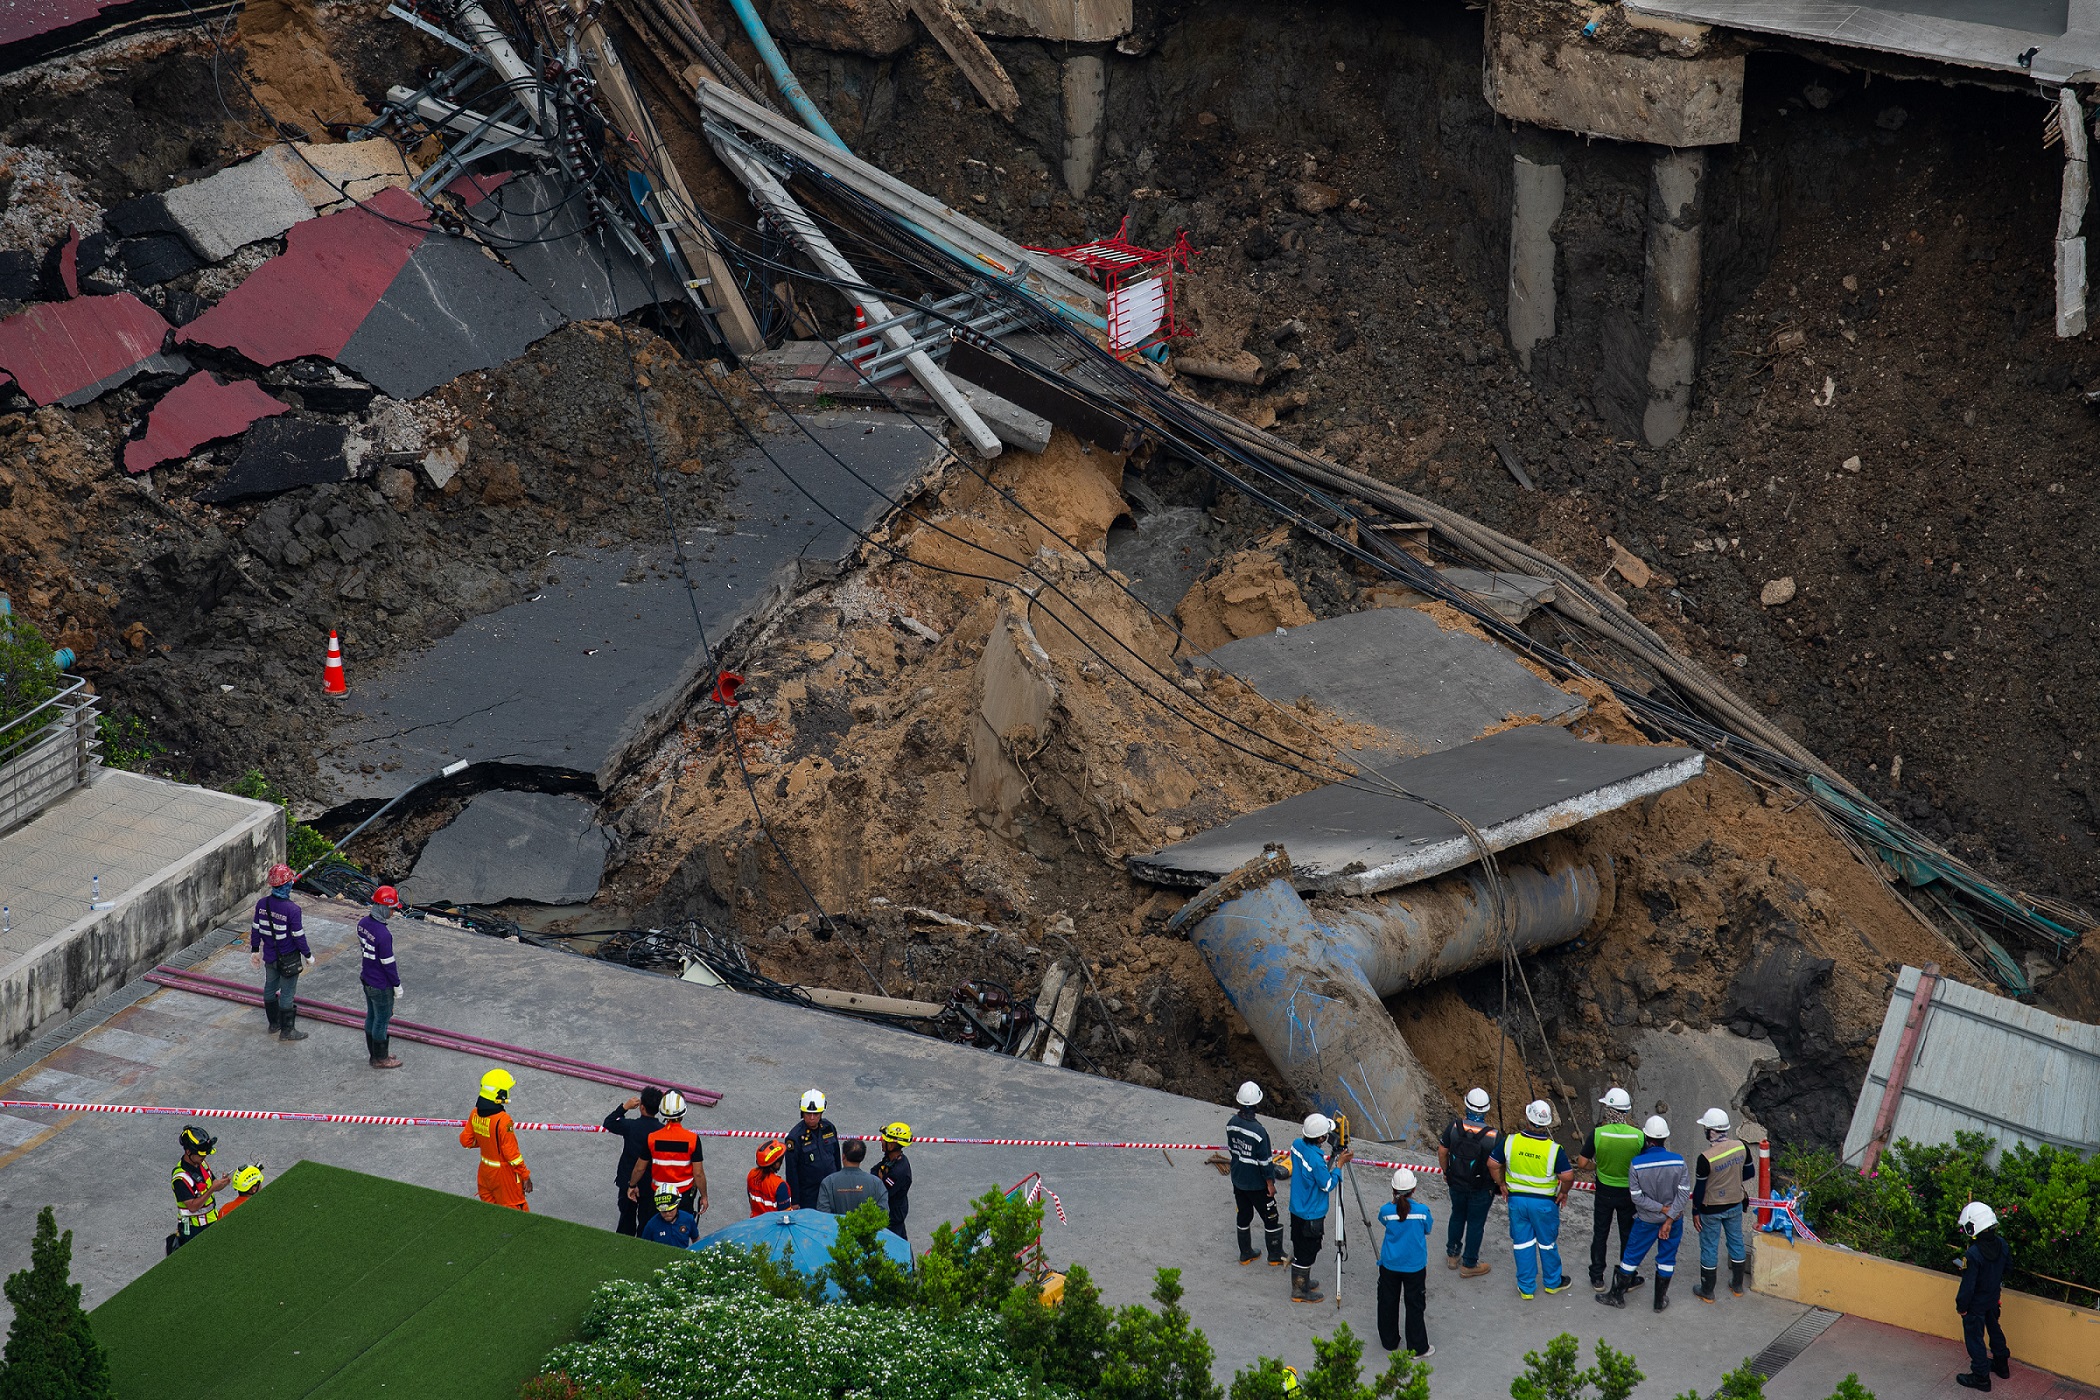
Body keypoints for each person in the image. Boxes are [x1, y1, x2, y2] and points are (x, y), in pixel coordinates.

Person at [1596, 1115, 1688, 1311]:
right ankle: (1659, 1302)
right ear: (1665, 1138)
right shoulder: (1679, 1161)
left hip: (1647, 1220)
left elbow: (1637, 1198)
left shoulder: (1637, 1164)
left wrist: (1660, 1209)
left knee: (1631, 1256)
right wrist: (1669, 1218)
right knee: (1666, 1259)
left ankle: (1616, 1296)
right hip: (1674, 1221)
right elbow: (1683, 1194)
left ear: (1646, 1138)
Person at [1488, 1099, 1575, 1300]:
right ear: (1547, 1124)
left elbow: (1492, 1164)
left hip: (1517, 1202)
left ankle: (1526, 1288)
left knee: (1522, 1244)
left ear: (1527, 1119)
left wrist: (1501, 1184)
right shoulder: (1554, 1149)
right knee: (1547, 1243)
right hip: (1544, 1204)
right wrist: (1564, 1192)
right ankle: (1552, 1283)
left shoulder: (1510, 1142)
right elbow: (1568, 1176)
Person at [1578, 1087, 1645, 1289]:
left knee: (1600, 1234)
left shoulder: (1598, 1134)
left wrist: (1597, 1167)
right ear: (1627, 1111)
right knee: (1627, 1235)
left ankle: (1597, 1277)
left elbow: (1582, 1163)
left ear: (1609, 1110)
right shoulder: (1638, 1136)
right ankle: (1627, 1277)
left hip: (1604, 1191)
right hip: (1628, 1194)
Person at [1690, 1107, 1756, 1302]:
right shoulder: (1741, 1147)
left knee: (1709, 1246)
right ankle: (1737, 1286)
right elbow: (1750, 1173)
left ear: (1710, 1131)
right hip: (1735, 1203)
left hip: (1711, 1208)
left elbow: (1699, 1189)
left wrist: (1695, 1210)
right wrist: (1732, 1181)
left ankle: (1707, 1291)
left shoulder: (1705, 1158)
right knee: (1736, 1241)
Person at [1287, 1112, 1352, 1304]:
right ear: (1321, 1138)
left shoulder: (1296, 1145)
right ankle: (1299, 1290)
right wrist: (1339, 1165)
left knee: (1300, 1246)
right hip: (1311, 1214)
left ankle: (1303, 1281)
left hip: (1297, 1208)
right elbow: (1327, 1185)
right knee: (1307, 1251)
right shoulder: (1316, 1161)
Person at [1437, 1086, 1498, 1278]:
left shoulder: (1454, 1127)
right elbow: (1496, 1165)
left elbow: (1442, 1151)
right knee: (1475, 1223)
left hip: (1456, 1183)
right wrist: (1501, 1184)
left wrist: (1446, 1171)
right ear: (1486, 1109)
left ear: (1466, 1106)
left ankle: (1452, 1255)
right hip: (1481, 1188)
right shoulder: (1493, 1136)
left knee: (1457, 1216)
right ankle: (1469, 1264)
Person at [1376, 1168, 1434, 1358]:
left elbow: (1383, 1220)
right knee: (1415, 1305)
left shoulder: (1386, 1211)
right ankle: (1417, 1347)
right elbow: (1428, 1229)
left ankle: (1389, 1341)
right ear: (1414, 1189)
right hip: (1414, 1266)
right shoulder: (1422, 1212)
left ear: (1393, 1189)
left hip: (1390, 1264)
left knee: (1387, 1302)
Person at [1954, 1201, 2012, 1391]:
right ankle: (2002, 1365)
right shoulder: (2002, 1244)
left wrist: (1961, 1307)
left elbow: (1968, 1286)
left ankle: (1981, 1378)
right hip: (1993, 1299)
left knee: (1975, 1339)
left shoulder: (1972, 1254)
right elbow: (2008, 1268)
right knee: (1995, 1330)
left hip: (1975, 1305)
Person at [1227, 1081, 1286, 1267]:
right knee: (1271, 1217)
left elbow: (1232, 1150)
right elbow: (1265, 1162)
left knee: (1243, 1215)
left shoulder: (1231, 1124)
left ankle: (1245, 1253)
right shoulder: (1259, 1132)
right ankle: (1275, 1255)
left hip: (1238, 1179)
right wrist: (1270, 1184)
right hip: (1257, 1183)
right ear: (1256, 1104)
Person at [249, 863, 310, 1042]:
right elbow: (298, 936)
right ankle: (287, 1031)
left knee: (270, 988)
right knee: (287, 993)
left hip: (269, 956)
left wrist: (255, 950)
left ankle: (273, 1024)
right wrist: (308, 955)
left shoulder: (262, 904)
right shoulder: (293, 909)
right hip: (289, 958)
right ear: (287, 885)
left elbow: (255, 929)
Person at [461, 1068, 533, 1211]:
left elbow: (466, 1140)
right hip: (503, 1176)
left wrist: (489, 1142)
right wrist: (525, 1175)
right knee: (516, 1215)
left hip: (484, 1173)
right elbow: (511, 1154)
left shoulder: (475, 1113)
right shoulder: (503, 1120)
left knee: (491, 1214)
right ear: (499, 1093)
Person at [630, 1090, 706, 1218]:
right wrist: (704, 1196)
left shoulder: (652, 1138)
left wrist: (632, 1185)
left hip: (658, 1194)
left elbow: (639, 1168)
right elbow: (698, 1173)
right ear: (683, 1113)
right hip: (683, 1195)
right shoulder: (692, 1139)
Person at [603, 1088, 665, 1235]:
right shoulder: (662, 1132)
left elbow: (609, 1122)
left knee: (626, 1219)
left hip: (628, 1180)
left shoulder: (631, 1126)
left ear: (641, 1107)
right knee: (646, 1222)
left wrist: (625, 1107)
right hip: (651, 1184)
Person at [358, 885, 404, 1068]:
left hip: (367, 978)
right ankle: (381, 1059)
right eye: (392, 909)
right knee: (382, 1021)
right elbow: (388, 964)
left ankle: (375, 1054)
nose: (393, 913)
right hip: (381, 985)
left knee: (371, 1016)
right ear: (384, 907)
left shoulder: (363, 924)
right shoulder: (384, 935)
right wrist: (396, 984)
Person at [168, 1123, 231, 1253]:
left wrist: (223, 1183)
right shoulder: (180, 1179)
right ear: (188, 1152)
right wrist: (212, 1189)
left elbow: (213, 1184)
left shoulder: (202, 1164)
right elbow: (192, 1207)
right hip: (191, 1229)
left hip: (211, 1221)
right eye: (201, 1155)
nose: (204, 1158)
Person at [784, 1088, 840, 1208]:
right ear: (802, 1113)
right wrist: (795, 1201)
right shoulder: (794, 1138)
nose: (812, 1117)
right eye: (808, 1114)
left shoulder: (829, 1128)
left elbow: (836, 1158)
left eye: (816, 1114)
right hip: (809, 1195)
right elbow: (791, 1171)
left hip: (831, 1190)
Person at [816, 1139, 891, 1215]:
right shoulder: (876, 1183)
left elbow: (823, 1214)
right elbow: (883, 1214)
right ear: (862, 1157)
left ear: (843, 1156)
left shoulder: (828, 1182)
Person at [874, 1122, 914, 1240]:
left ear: (892, 1145)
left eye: (885, 1140)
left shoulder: (899, 1171)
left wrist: (881, 1178)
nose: (881, 1141)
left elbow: (882, 1191)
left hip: (893, 1219)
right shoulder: (891, 1159)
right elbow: (874, 1171)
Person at [748, 1139, 793, 1217]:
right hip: (773, 1224)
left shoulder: (751, 1174)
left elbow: (751, 1201)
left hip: (755, 1221)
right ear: (776, 1164)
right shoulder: (779, 1185)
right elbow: (785, 1215)